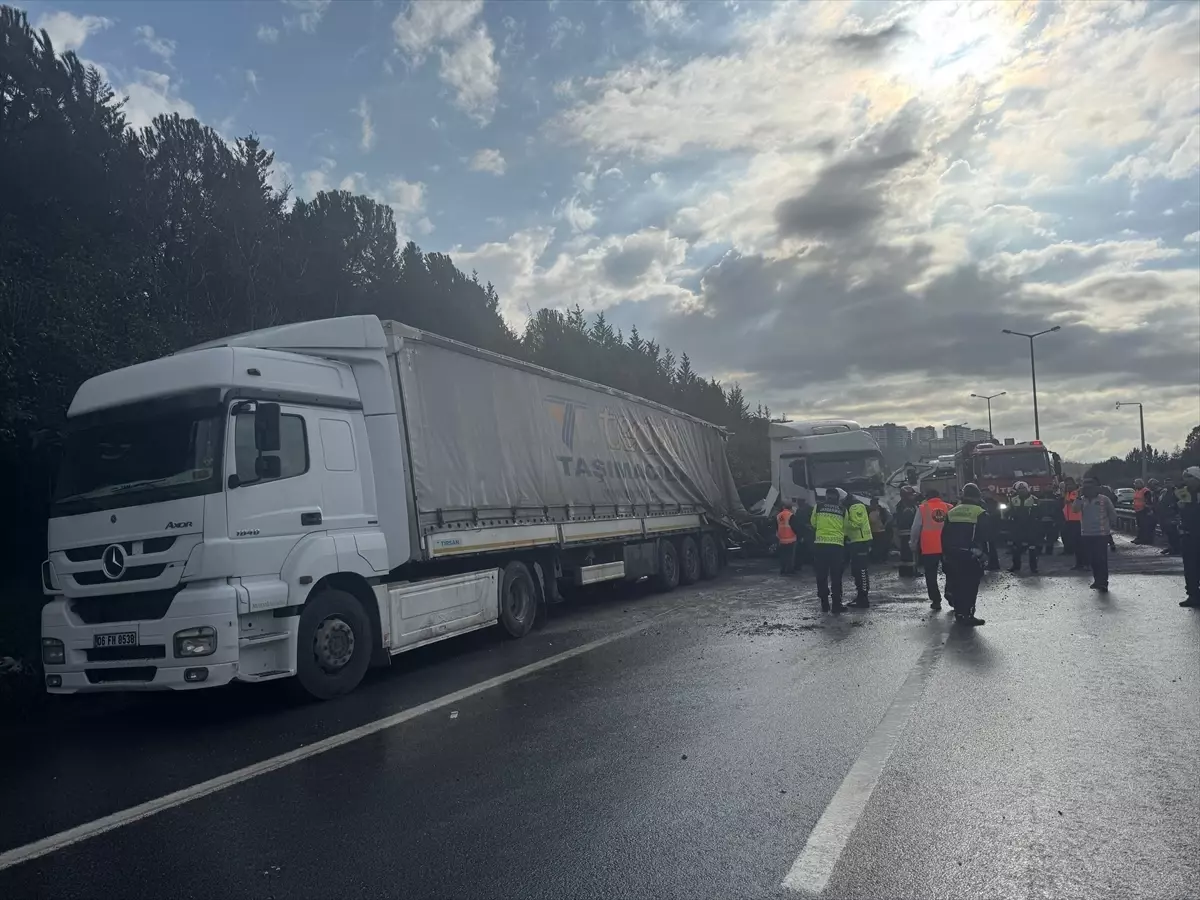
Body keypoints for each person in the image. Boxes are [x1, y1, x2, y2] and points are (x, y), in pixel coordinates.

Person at [942, 483, 991, 626]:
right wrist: (985, 555)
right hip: (971, 555)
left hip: (952, 554)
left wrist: (944, 553)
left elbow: (944, 535)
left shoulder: (952, 512)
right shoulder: (980, 512)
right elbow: (986, 536)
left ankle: (959, 613)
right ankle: (968, 615)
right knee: (971, 585)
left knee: (957, 584)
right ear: (977, 496)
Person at [1073, 477, 1117, 593]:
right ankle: (1097, 580)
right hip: (1087, 534)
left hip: (1101, 534)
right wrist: (1077, 497)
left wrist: (1110, 529)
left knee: (1101, 559)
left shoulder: (1104, 499)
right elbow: (1075, 510)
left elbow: (1112, 514)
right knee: (1092, 559)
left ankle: (1103, 582)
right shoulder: (1081, 500)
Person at [910, 487, 951, 610]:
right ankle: (951, 594)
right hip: (947, 546)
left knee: (931, 575)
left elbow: (916, 528)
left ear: (927, 497)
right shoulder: (949, 507)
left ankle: (936, 601)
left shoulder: (922, 508)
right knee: (951, 572)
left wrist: (913, 543)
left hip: (929, 548)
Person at [811, 488, 848, 612]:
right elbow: (846, 527)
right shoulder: (843, 510)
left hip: (820, 545)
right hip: (836, 546)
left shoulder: (818, 507)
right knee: (836, 576)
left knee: (821, 575)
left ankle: (824, 604)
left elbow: (813, 523)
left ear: (826, 496)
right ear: (837, 498)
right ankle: (836, 605)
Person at [1176, 467, 1200, 608]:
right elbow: (1181, 509)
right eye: (1185, 477)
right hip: (1188, 535)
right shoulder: (1183, 492)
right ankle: (1193, 595)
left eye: (1189, 477)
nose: (1186, 480)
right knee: (1190, 567)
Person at [844, 493, 873, 608]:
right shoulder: (850, 506)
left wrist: (844, 521)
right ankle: (860, 596)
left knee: (861, 570)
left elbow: (856, 523)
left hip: (862, 541)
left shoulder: (856, 506)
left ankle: (864, 598)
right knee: (856, 570)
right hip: (855, 541)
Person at [1007, 481, 1040, 574]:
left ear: (1028, 489)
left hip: (1031, 527)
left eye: (1024, 489)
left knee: (1032, 548)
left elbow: (1039, 512)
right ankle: (1016, 566)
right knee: (1016, 548)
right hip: (1017, 527)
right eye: (1020, 489)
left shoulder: (1034, 499)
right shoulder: (1013, 500)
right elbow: (1008, 511)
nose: (1022, 491)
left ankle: (1034, 567)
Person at [894, 486, 921, 577]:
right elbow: (911, 521)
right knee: (911, 554)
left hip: (905, 533)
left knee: (905, 554)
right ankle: (911, 571)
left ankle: (904, 572)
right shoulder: (907, 507)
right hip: (908, 533)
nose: (913, 497)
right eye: (911, 495)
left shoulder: (902, 505)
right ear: (905, 496)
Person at [1062, 477, 1085, 569]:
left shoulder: (1076, 492)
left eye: (1069, 484)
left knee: (1080, 543)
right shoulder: (1068, 493)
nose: (1068, 486)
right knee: (1075, 544)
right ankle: (1078, 563)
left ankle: (1083, 563)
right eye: (1066, 485)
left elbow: (1074, 501)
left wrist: (1068, 499)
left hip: (1077, 520)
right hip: (1069, 520)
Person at [1157, 479, 1181, 556]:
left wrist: (1174, 506)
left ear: (1172, 483)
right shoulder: (1164, 492)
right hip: (1164, 515)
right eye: (1166, 483)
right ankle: (1170, 548)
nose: (1167, 484)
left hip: (1172, 515)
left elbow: (1182, 502)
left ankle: (1176, 549)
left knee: (1173, 533)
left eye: (1169, 483)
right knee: (1167, 532)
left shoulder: (1177, 492)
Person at [982, 487, 1002, 570]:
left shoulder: (993, 503)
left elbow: (996, 515)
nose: (983, 495)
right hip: (987, 528)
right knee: (988, 547)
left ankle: (993, 564)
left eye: (985, 493)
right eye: (982, 493)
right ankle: (992, 563)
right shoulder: (983, 503)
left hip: (990, 528)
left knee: (990, 547)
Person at [776, 501, 798, 575]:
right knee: (790, 556)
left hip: (781, 539)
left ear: (784, 507)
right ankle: (789, 570)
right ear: (791, 508)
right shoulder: (791, 515)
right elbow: (795, 527)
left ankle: (782, 569)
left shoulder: (779, 515)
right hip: (791, 538)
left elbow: (776, 527)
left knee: (783, 555)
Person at [793, 496, 815, 570]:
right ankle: (798, 566)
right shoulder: (801, 510)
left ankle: (814, 566)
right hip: (803, 533)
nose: (798, 503)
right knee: (801, 550)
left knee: (809, 550)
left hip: (807, 533)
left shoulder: (808, 509)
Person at [868, 498, 890, 563]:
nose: (873, 506)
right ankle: (875, 559)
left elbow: (889, 517)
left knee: (882, 546)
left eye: (874, 504)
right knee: (875, 546)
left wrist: (885, 525)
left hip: (881, 531)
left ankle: (882, 559)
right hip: (873, 532)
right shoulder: (869, 511)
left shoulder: (882, 511)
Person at [1132, 478, 1152, 544]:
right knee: (1139, 525)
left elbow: (1148, 500)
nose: (1135, 485)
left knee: (1143, 526)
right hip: (1138, 510)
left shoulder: (1145, 491)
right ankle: (1139, 538)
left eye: (1136, 483)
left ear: (1140, 483)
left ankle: (1144, 539)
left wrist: (1147, 509)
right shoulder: (1137, 490)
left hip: (1144, 510)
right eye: (1135, 483)